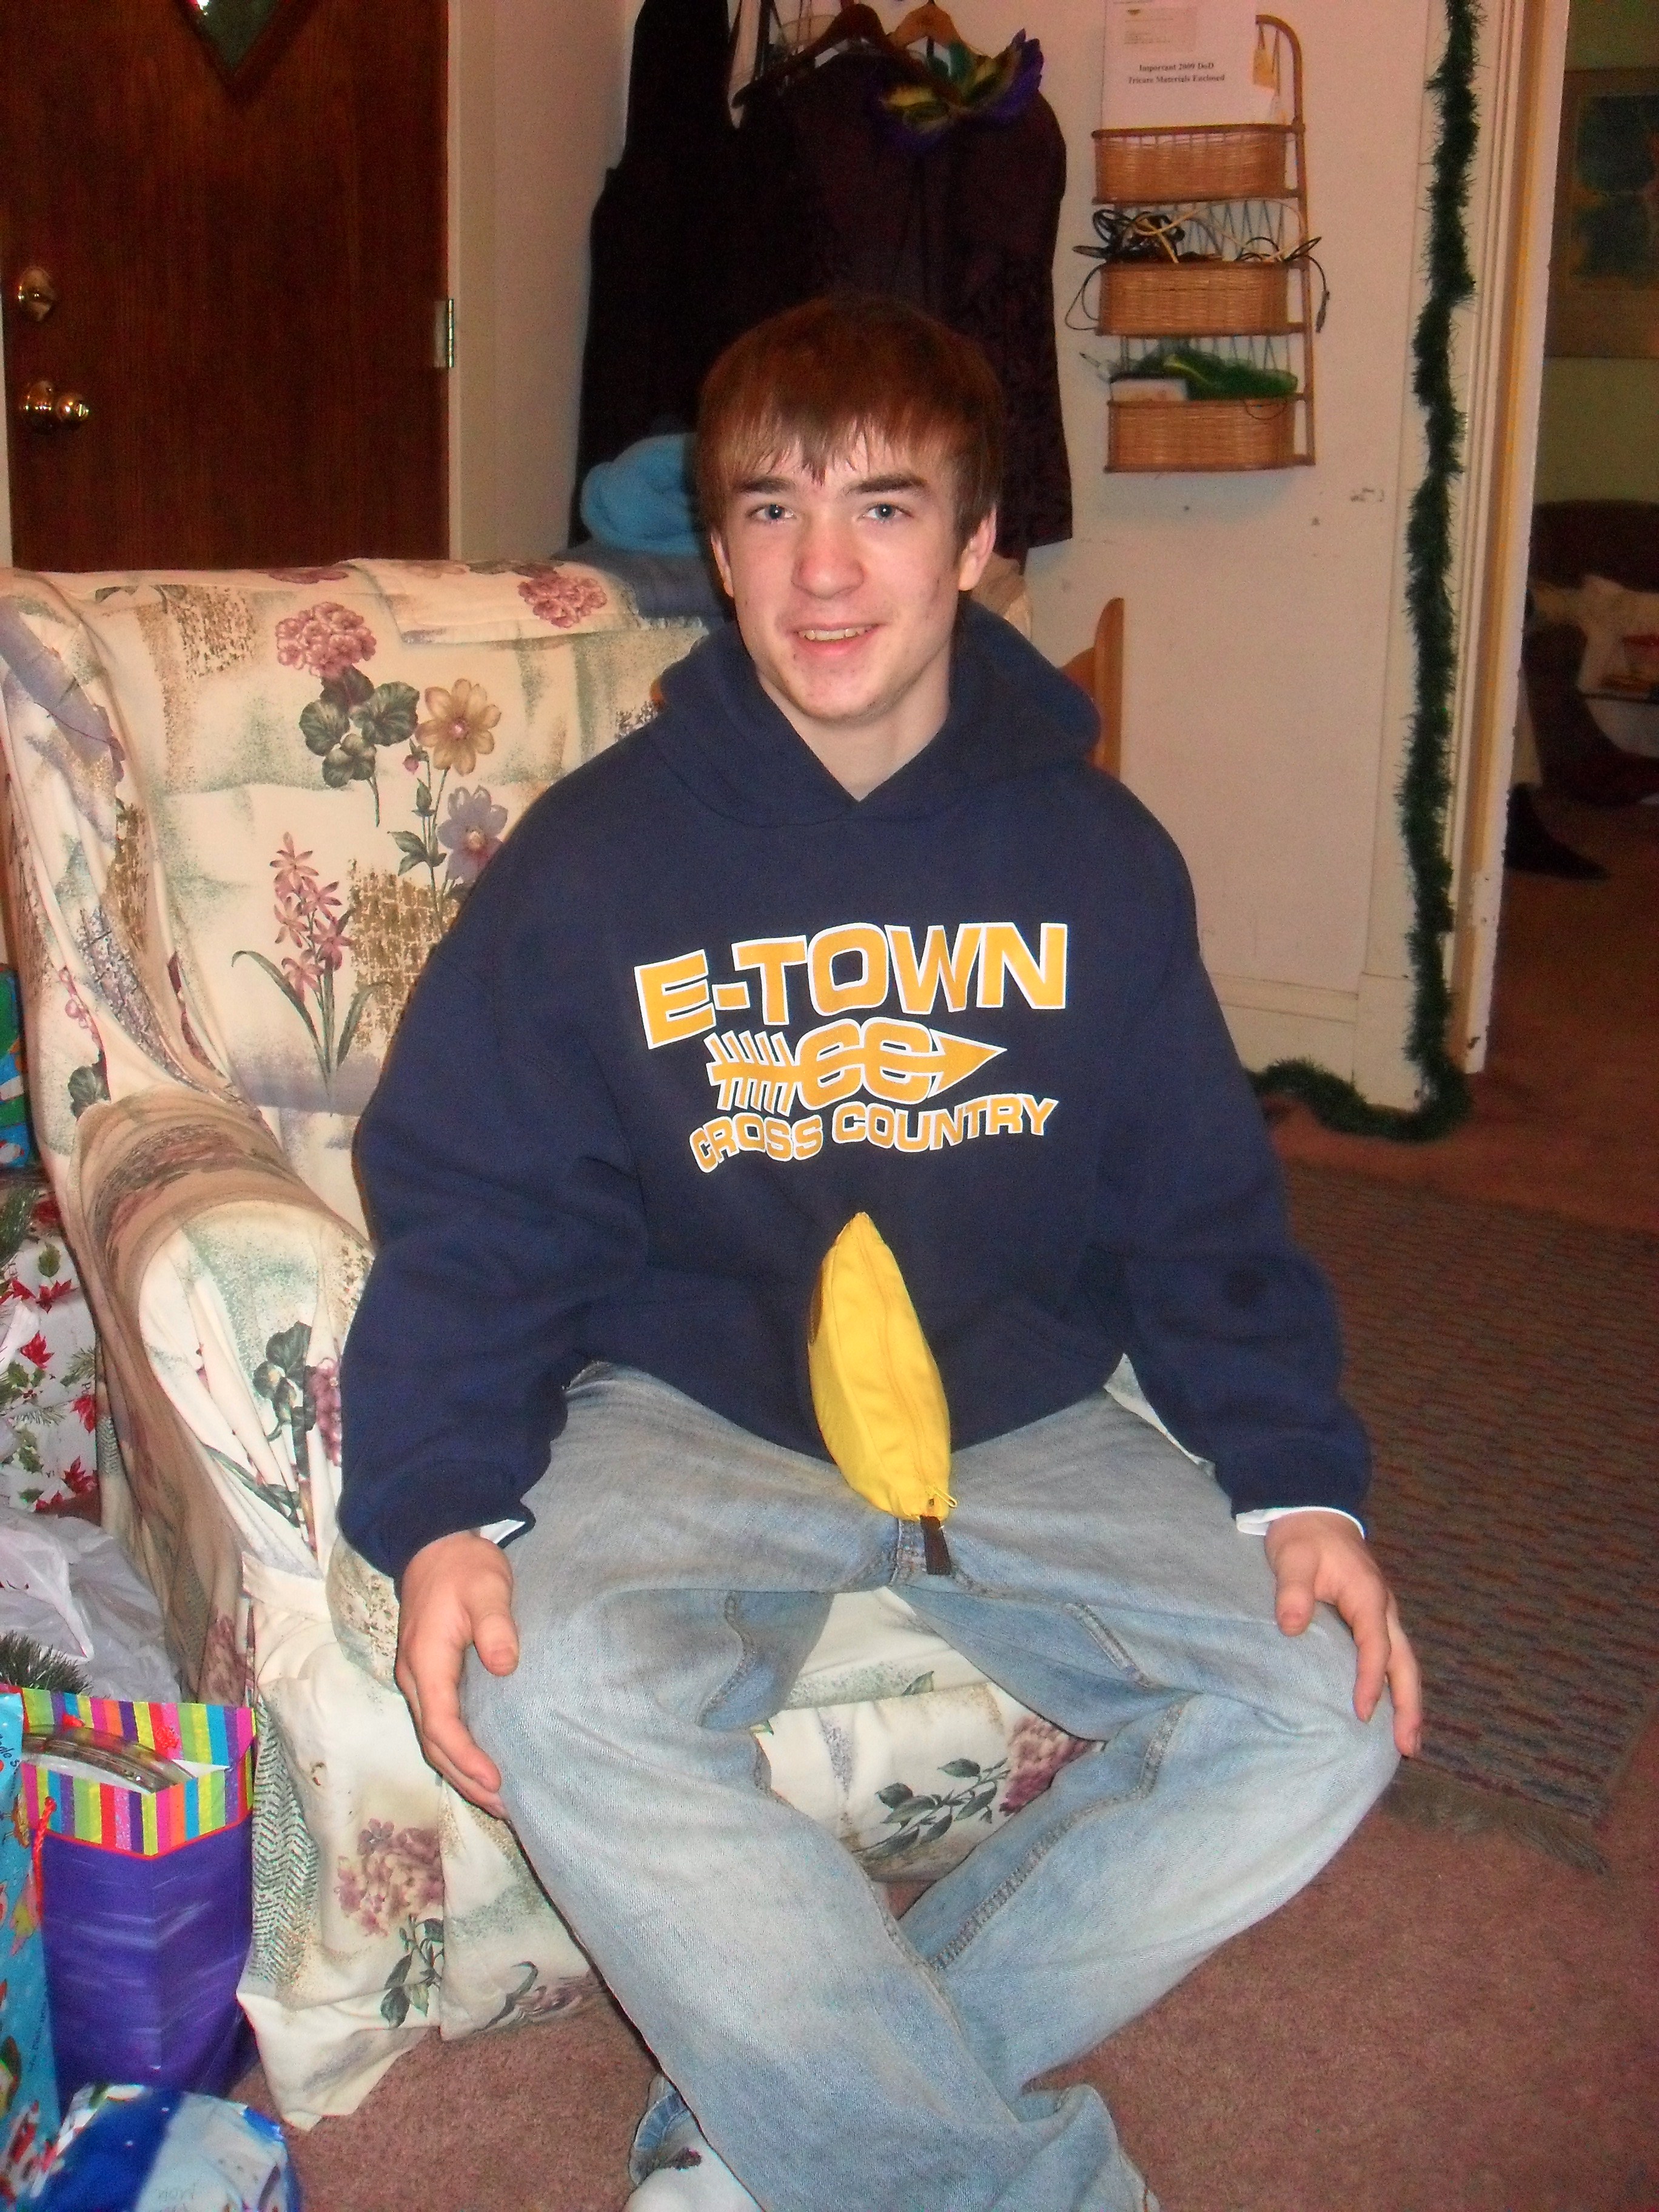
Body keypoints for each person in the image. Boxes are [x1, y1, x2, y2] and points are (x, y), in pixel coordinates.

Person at [340, 295, 1420, 2212]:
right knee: (550, 1684)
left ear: (981, 543)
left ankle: (764, 2137)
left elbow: (1198, 1210)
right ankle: (970, 2182)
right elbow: (481, 1205)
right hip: (700, 1398)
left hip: (1020, 1402)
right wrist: (441, 1504)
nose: (823, 573)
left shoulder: (1099, 859)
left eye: (886, 509)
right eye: (771, 511)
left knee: (1329, 1705)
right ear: (719, 547)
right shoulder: (596, 862)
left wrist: (1295, 1486)